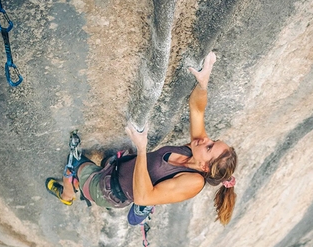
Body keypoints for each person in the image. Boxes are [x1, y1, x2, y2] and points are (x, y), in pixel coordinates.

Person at [46, 52, 237, 224]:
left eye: (209, 148)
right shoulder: (195, 149)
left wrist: (142, 148)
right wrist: (203, 83)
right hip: (117, 167)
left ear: (205, 167)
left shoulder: (194, 182)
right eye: (213, 141)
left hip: (108, 190)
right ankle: (80, 182)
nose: (206, 140)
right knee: (96, 163)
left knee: (75, 163)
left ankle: (67, 195)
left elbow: (143, 198)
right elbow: (197, 109)